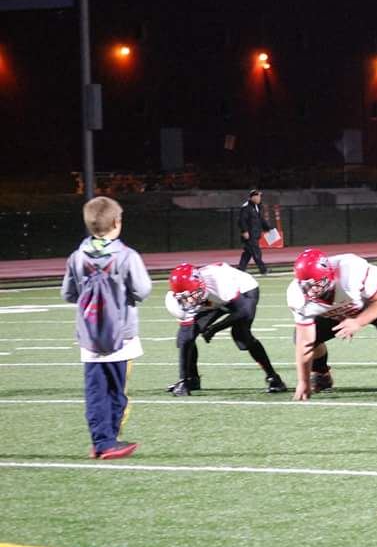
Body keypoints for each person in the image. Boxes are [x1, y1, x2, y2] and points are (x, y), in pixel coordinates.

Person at [61, 196, 152, 459]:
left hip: (89, 335)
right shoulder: (127, 256)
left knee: (95, 391)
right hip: (120, 335)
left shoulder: (77, 257)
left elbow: (68, 294)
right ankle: (109, 442)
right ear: (116, 222)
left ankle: (101, 441)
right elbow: (143, 290)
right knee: (116, 390)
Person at [288, 248, 377, 400]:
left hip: (375, 297)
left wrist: (358, 321)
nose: (312, 291)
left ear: (329, 275)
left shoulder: (350, 272)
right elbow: (304, 342)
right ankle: (321, 374)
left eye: (316, 284)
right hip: (341, 307)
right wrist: (302, 381)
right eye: (306, 285)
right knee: (306, 338)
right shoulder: (297, 296)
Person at [164, 262, 287, 395]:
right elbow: (186, 338)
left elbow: (243, 311)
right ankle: (190, 379)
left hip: (243, 291)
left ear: (201, 284)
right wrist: (182, 379)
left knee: (241, 335)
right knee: (186, 337)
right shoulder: (178, 302)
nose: (190, 301)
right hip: (213, 298)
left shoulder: (220, 283)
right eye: (185, 298)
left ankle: (274, 378)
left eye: (192, 295)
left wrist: (214, 328)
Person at [237, 189, 272, 275]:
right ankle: (263, 270)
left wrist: (268, 228)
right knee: (256, 252)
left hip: (255, 234)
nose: (260, 198)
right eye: (258, 196)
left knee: (248, 253)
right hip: (250, 235)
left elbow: (260, 220)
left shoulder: (257, 206)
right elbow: (242, 220)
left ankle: (241, 269)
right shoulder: (246, 207)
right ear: (253, 197)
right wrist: (244, 231)